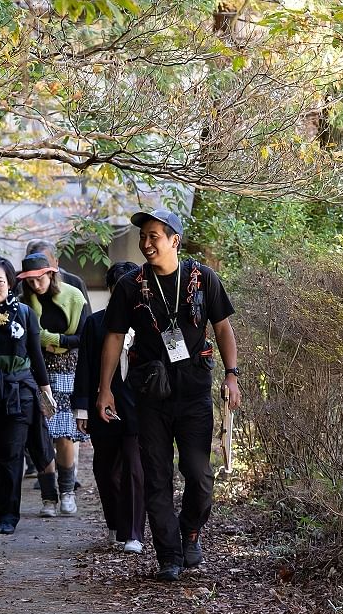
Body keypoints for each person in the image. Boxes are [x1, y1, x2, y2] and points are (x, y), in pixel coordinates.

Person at [95, 210, 242, 582]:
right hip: (149, 391)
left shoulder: (203, 278)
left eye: (154, 236)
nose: (146, 243)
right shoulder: (131, 286)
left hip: (193, 390)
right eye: (143, 237)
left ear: (174, 240)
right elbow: (113, 337)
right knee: (156, 476)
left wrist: (232, 375)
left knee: (199, 475)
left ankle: (190, 529)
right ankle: (169, 556)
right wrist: (105, 389)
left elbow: (223, 328)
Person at [0, 254, 57, 533]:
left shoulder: (25, 314)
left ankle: (9, 514)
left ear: (10, 282)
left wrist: (45, 391)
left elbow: (36, 354)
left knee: (12, 452)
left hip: (19, 390)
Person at [73, 261, 145, 553]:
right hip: (103, 404)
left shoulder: (148, 323)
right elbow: (85, 368)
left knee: (134, 467)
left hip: (139, 407)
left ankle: (134, 532)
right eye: (118, 291)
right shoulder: (96, 323)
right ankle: (118, 520)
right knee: (105, 468)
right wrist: (82, 409)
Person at [19, 251, 87, 515]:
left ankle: (67, 492)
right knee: (41, 435)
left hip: (69, 370)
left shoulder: (73, 296)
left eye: (40, 278)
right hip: (38, 371)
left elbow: (82, 337)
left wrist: (51, 339)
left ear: (51, 273)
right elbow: (26, 339)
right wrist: (47, 341)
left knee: (65, 433)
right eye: (30, 281)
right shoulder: (24, 302)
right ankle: (48, 497)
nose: (36, 285)